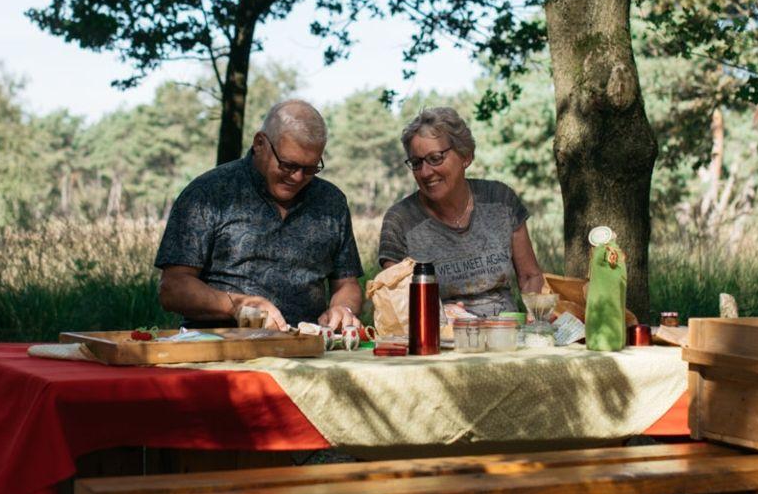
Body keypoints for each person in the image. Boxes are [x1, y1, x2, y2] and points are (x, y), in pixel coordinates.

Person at [155, 100, 365, 330]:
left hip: (307, 348)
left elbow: (347, 283)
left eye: (310, 169)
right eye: (288, 165)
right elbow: (173, 288)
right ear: (260, 143)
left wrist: (343, 310)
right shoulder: (208, 194)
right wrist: (238, 306)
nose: (297, 177)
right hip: (220, 347)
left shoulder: (331, 201)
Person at [377, 106, 544, 319]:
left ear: (466, 156)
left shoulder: (500, 199)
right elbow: (394, 299)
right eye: (417, 163)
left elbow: (530, 276)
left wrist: (536, 316)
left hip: (506, 333)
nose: (426, 172)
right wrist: (437, 313)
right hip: (438, 339)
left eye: (436, 158)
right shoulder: (400, 220)